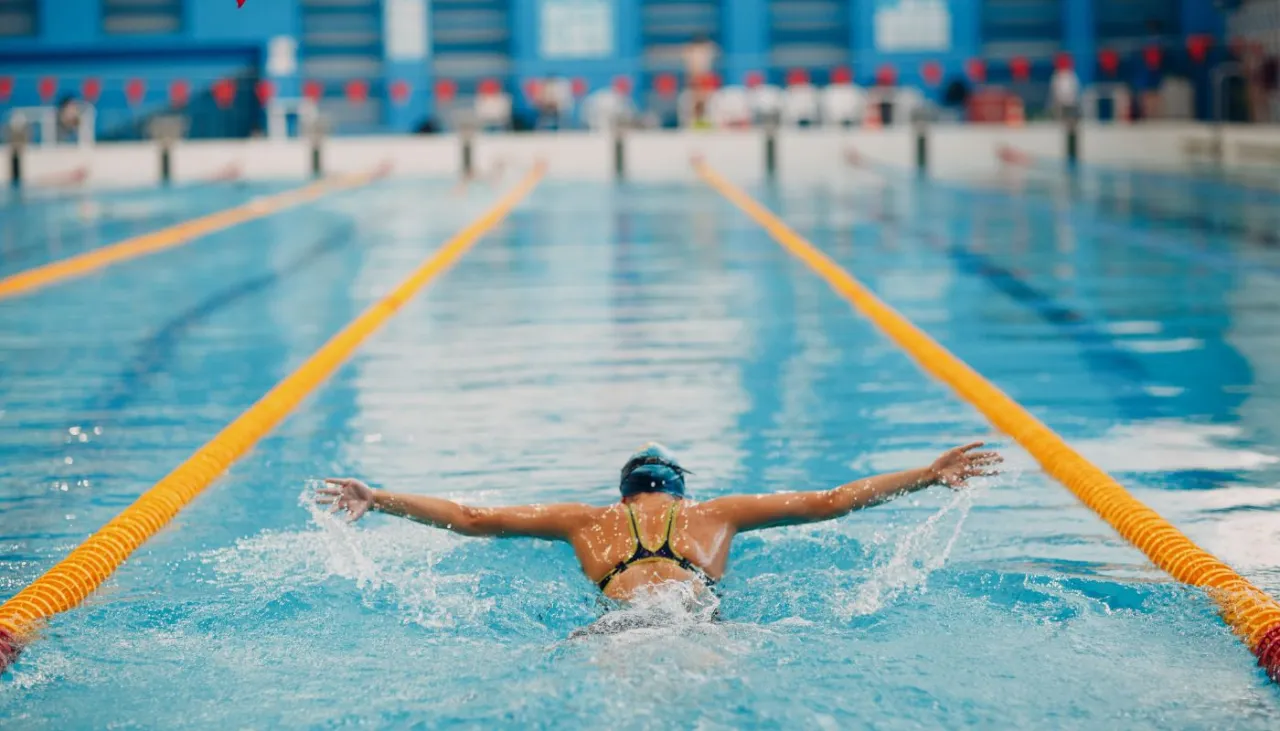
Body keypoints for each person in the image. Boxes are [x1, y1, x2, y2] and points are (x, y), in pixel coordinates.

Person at [317, 442, 1002, 610]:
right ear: (679, 490)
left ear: (623, 493)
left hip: (617, 622)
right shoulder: (715, 514)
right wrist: (926, 473)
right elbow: (830, 500)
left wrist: (380, 497)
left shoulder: (586, 520)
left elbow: (472, 518)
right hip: (693, 613)